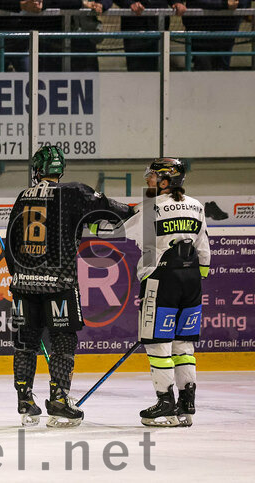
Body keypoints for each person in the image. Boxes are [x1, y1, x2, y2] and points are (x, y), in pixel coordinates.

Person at [5, 146, 132, 427]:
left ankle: (24, 398)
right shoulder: (73, 192)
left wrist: (18, 278)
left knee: (25, 344)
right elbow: (113, 211)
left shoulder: (22, 197)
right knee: (63, 342)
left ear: (37, 169)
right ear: (59, 169)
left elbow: (11, 245)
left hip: (24, 285)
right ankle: (60, 398)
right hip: (59, 284)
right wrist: (130, 210)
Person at [122, 159, 209, 427]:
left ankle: (165, 403)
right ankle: (187, 403)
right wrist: (195, 278)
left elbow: (120, 229)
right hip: (192, 279)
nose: (147, 181)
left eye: (151, 177)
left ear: (164, 180)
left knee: (158, 343)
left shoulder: (151, 206)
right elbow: (204, 249)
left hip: (161, 279)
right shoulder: (196, 205)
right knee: (183, 344)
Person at [113, 0, 186, 72]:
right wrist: (129, 4)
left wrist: (177, 2)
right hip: (134, 27)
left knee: (160, 69)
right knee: (136, 70)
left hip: (159, 26)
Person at [183, 0, 250, 70]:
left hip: (225, 40)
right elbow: (194, 2)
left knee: (222, 74)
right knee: (203, 72)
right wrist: (224, 4)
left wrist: (235, 3)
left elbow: (242, 3)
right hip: (201, 41)